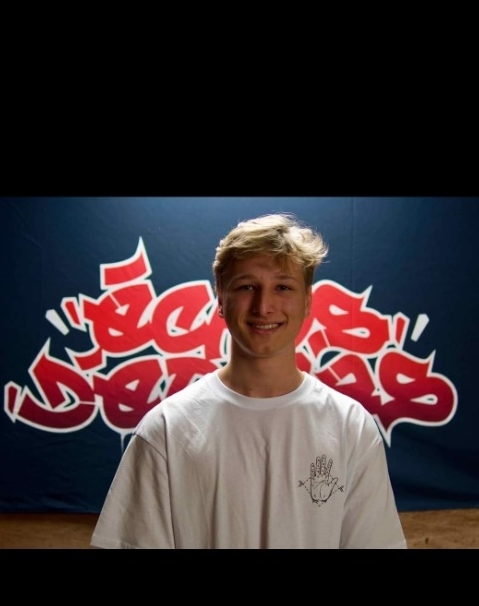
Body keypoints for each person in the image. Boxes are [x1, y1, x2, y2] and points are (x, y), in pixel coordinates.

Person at [90, 213, 407, 549]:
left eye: (282, 287)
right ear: (220, 298)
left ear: (307, 301)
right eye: (246, 287)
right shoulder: (166, 430)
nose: (263, 306)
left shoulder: (350, 427)